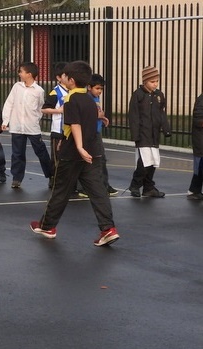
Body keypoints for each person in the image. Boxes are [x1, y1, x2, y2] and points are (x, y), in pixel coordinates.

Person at [29, 60, 119, 247]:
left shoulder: (70, 98)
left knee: (60, 189)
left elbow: (75, 124)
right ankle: (108, 229)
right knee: (97, 191)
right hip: (93, 151)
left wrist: (78, 146)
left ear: (70, 80)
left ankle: (47, 226)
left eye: (64, 77)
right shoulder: (89, 99)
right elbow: (85, 123)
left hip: (73, 153)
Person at [2, 62, 53, 189]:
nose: (19, 74)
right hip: (17, 127)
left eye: (21, 71)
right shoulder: (17, 87)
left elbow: (40, 108)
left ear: (29, 74)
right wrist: (5, 121)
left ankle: (51, 175)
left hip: (32, 127)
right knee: (17, 153)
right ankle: (17, 178)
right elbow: (9, 103)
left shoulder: (39, 91)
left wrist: (35, 120)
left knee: (41, 152)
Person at [127, 66, 171, 198]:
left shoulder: (159, 95)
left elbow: (161, 113)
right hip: (143, 134)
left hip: (154, 135)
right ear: (145, 81)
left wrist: (166, 129)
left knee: (153, 162)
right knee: (144, 162)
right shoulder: (138, 94)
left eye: (157, 81)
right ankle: (135, 185)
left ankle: (148, 187)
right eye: (152, 81)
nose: (155, 84)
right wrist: (135, 135)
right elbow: (133, 116)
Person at [86, 74, 118, 196]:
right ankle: (99, 185)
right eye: (97, 88)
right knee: (96, 159)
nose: (99, 91)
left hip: (96, 131)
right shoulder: (87, 98)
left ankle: (103, 184)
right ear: (89, 87)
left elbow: (97, 113)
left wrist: (102, 118)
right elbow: (86, 115)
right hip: (90, 133)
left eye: (101, 89)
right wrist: (97, 115)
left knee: (99, 159)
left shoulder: (95, 99)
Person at [41, 62, 68, 187]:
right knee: (57, 157)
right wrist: (58, 110)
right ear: (58, 78)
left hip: (71, 130)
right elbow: (44, 109)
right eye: (65, 75)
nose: (69, 77)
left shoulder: (74, 91)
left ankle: (68, 181)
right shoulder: (55, 92)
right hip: (58, 131)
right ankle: (54, 179)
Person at [189, 92, 203, 200]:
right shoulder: (201, 100)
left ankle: (195, 190)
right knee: (200, 166)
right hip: (200, 139)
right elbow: (198, 119)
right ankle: (194, 190)